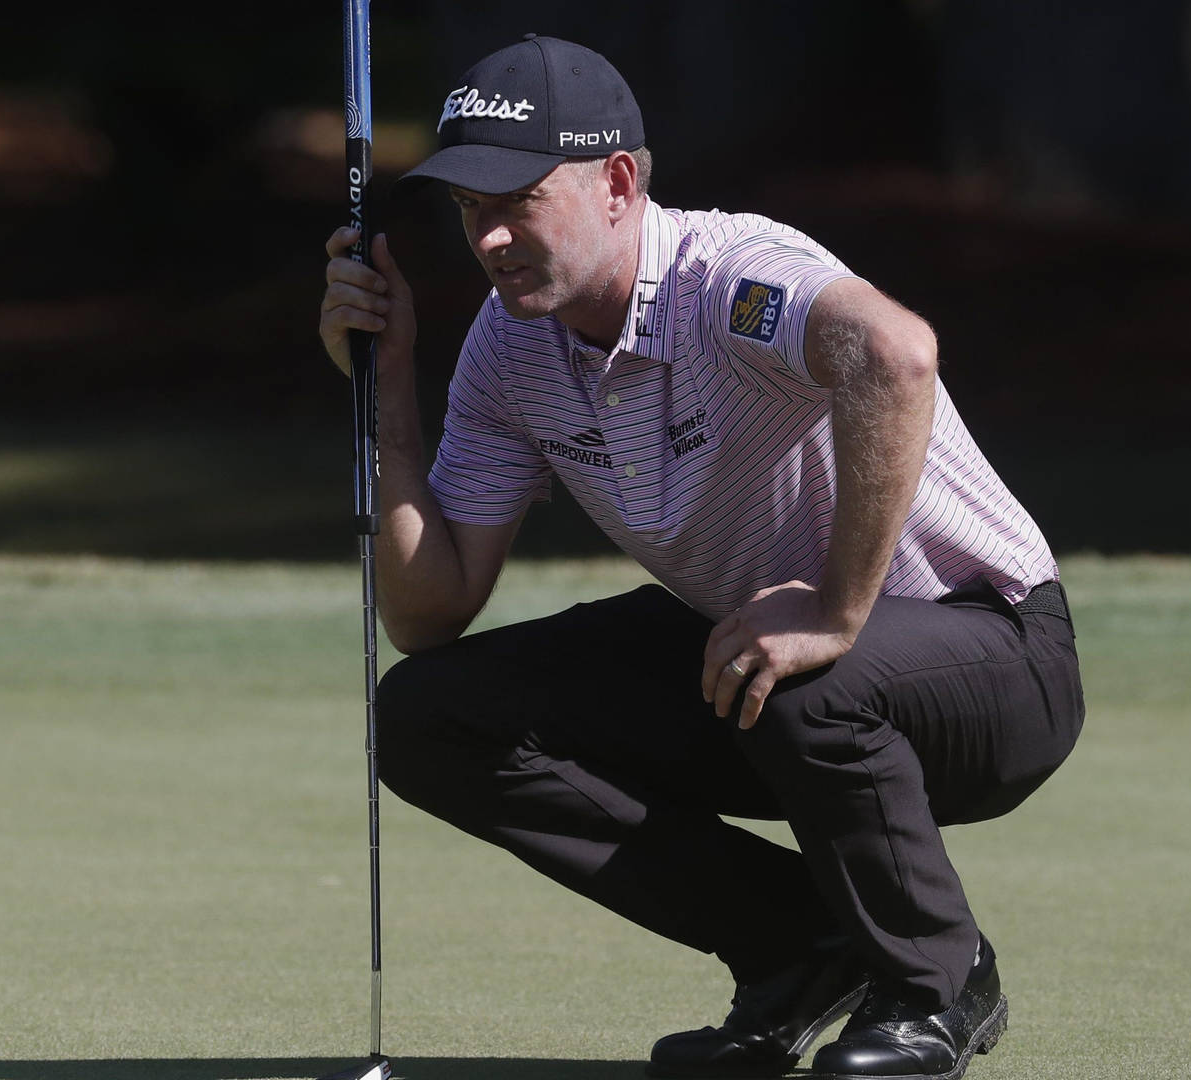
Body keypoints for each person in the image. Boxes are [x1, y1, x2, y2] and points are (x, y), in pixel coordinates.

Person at [316, 33, 1085, 1080]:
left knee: (802, 671)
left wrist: (834, 607)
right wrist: (387, 383)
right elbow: (428, 609)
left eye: (516, 201)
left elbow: (894, 356)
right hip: (779, 660)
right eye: (467, 209)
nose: (489, 238)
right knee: (429, 714)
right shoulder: (511, 346)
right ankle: (802, 945)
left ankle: (938, 984)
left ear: (619, 181)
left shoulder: (725, 279)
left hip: (996, 657)